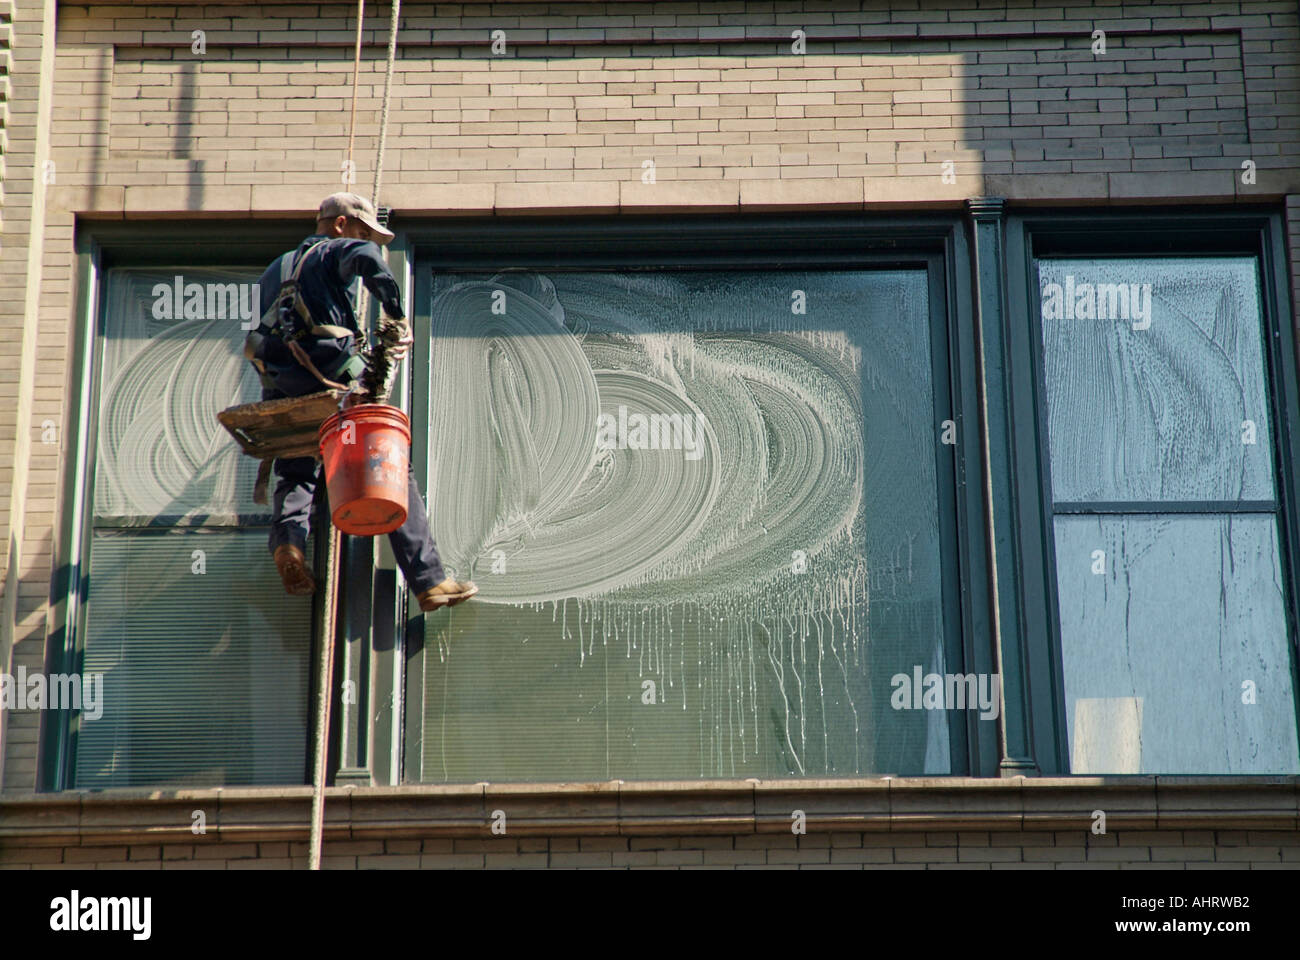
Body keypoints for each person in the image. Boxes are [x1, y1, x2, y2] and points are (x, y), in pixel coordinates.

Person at [247, 192, 476, 610]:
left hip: (280, 382)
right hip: (329, 372)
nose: (365, 238)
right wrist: (395, 311)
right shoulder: (333, 249)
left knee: (297, 467)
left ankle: (288, 545)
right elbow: (367, 257)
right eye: (361, 228)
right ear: (339, 225)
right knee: (386, 459)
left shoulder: (272, 269)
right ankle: (428, 580)